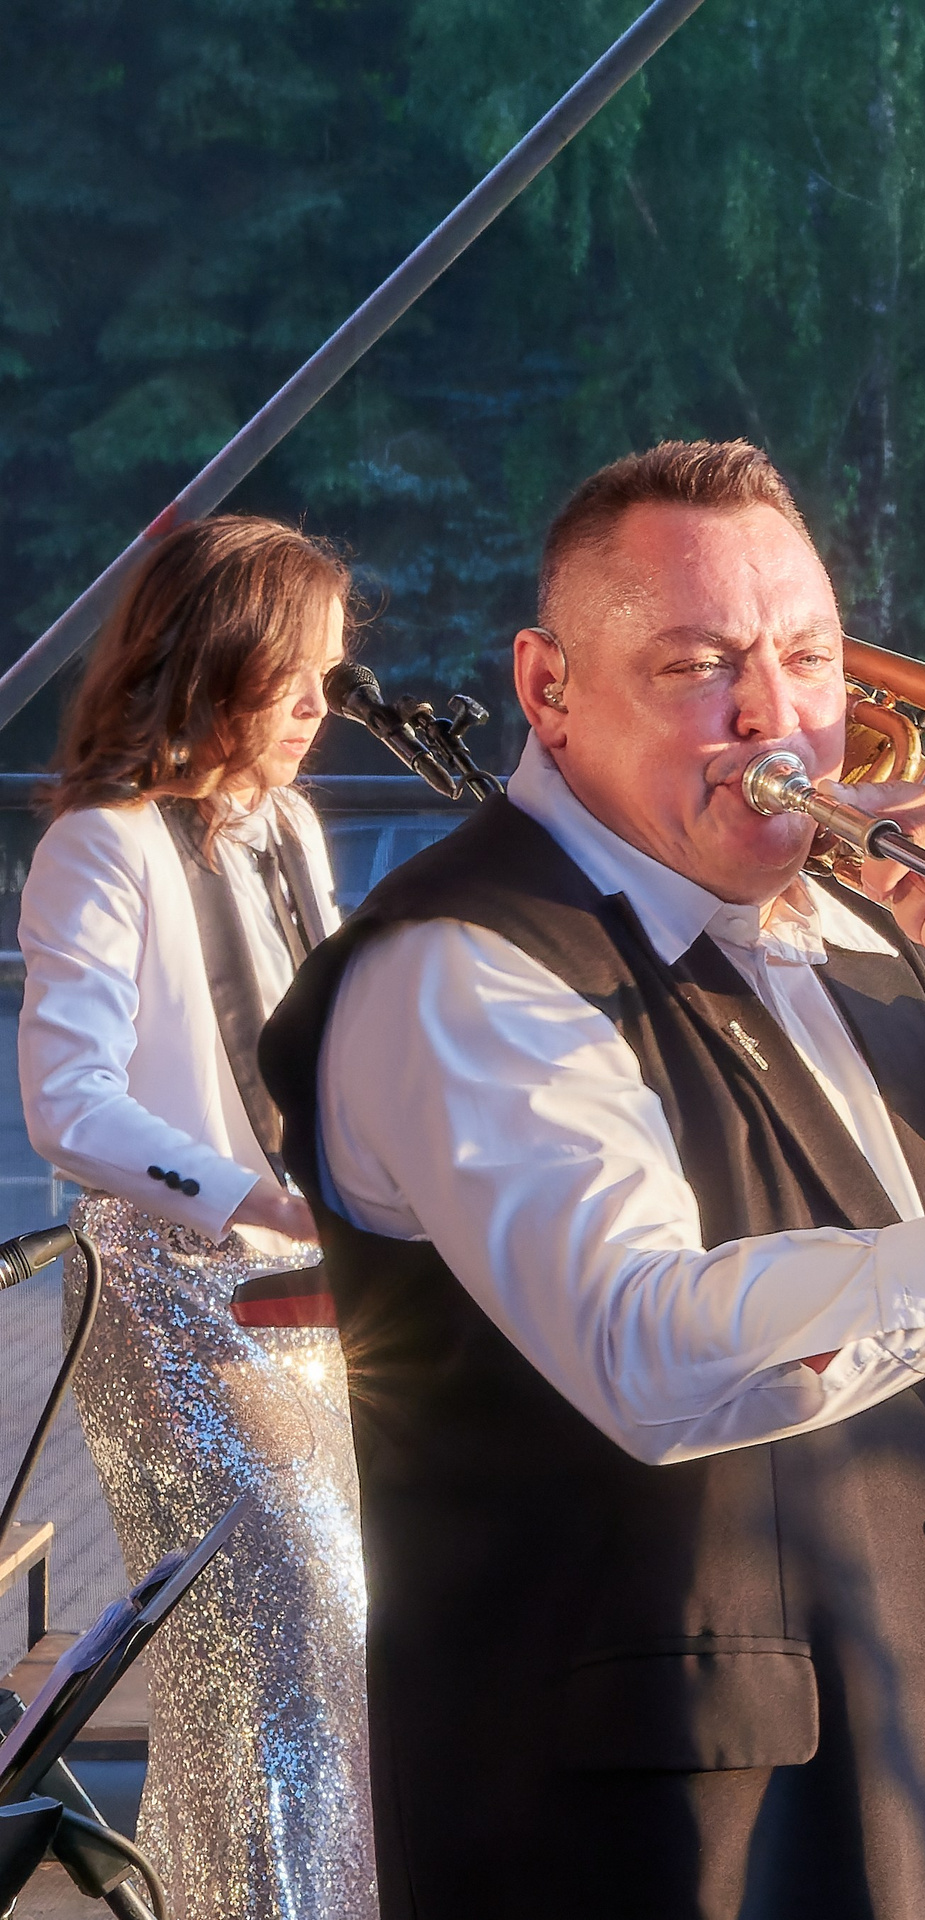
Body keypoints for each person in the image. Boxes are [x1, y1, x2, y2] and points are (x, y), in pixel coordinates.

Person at [256, 439, 925, 1920]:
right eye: (702, 666)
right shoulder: (462, 965)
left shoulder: (880, 934)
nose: (778, 717)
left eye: (812, 657)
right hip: (660, 1851)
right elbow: (647, 1346)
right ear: (548, 687)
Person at [18, 513, 376, 1918]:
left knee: (313, 1666)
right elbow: (69, 1105)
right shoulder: (98, 849)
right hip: (173, 1305)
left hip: (312, 1297)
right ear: (209, 658)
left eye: (330, 676)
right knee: (286, 1644)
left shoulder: (286, 826)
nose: (317, 709)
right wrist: (258, 1198)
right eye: (295, 674)